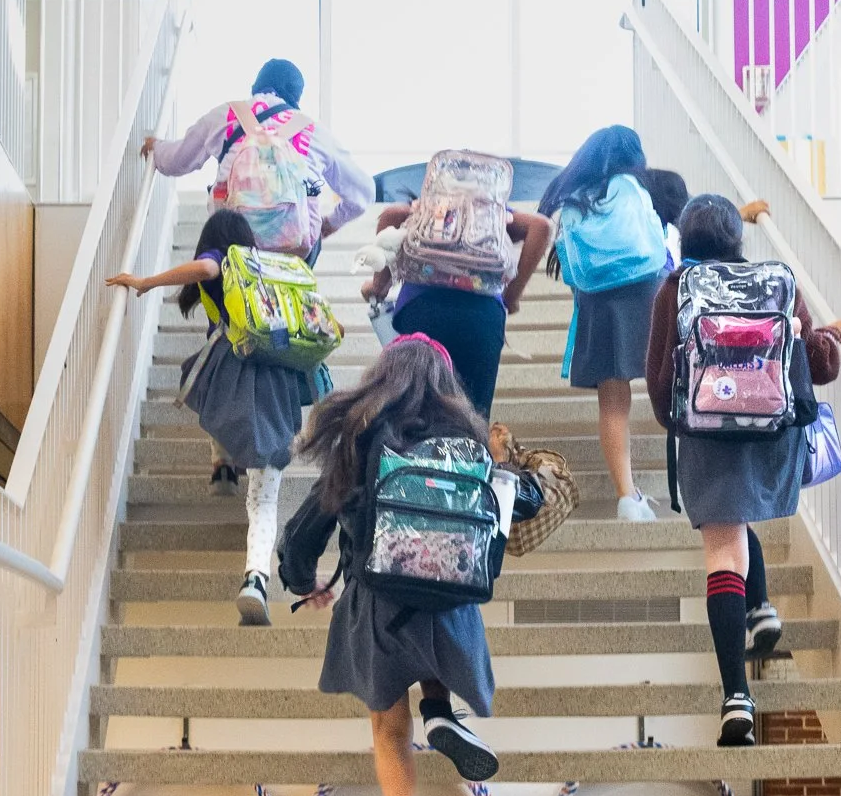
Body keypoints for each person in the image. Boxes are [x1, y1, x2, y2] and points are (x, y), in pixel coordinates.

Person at [278, 333, 499, 796]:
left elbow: (306, 529)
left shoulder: (360, 434)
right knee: (437, 606)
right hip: (453, 611)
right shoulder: (469, 438)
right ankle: (440, 708)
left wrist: (303, 580)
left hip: (377, 606)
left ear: (384, 375)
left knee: (386, 730)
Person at [645, 192, 841, 747]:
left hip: (707, 435)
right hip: (771, 439)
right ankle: (759, 609)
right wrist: (826, 339)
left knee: (722, 551)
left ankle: (736, 696)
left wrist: (679, 421)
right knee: (739, 526)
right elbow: (821, 367)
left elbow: (659, 382)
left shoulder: (674, 289)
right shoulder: (777, 284)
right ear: (739, 240)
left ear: (686, 241)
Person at [108, 207, 328, 625]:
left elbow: (205, 266)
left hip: (232, 372)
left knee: (202, 389)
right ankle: (256, 580)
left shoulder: (225, 261)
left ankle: (223, 462)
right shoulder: (265, 270)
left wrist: (146, 282)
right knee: (264, 493)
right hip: (279, 380)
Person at [539, 126, 671, 523]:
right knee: (675, 384)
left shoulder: (575, 197)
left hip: (599, 300)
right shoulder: (633, 188)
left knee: (613, 402)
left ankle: (627, 498)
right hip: (647, 291)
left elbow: (571, 267)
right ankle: (699, 476)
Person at [143, 57, 375, 266]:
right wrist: (331, 223)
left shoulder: (225, 115)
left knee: (216, 251)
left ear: (255, 86)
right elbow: (363, 192)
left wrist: (156, 147)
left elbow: (176, 161)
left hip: (232, 243)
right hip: (295, 249)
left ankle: (223, 311)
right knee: (310, 235)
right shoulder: (313, 131)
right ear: (296, 98)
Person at [359, 185, 552, 421]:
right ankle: (469, 454)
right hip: (482, 317)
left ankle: (415, 455)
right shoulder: (490, 214)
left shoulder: (428, 208)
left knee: (415, 408)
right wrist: (511, 297)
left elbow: (392, 215)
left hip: (422, 310)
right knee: (473, 412)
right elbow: (541, 227)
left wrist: (378, 287)